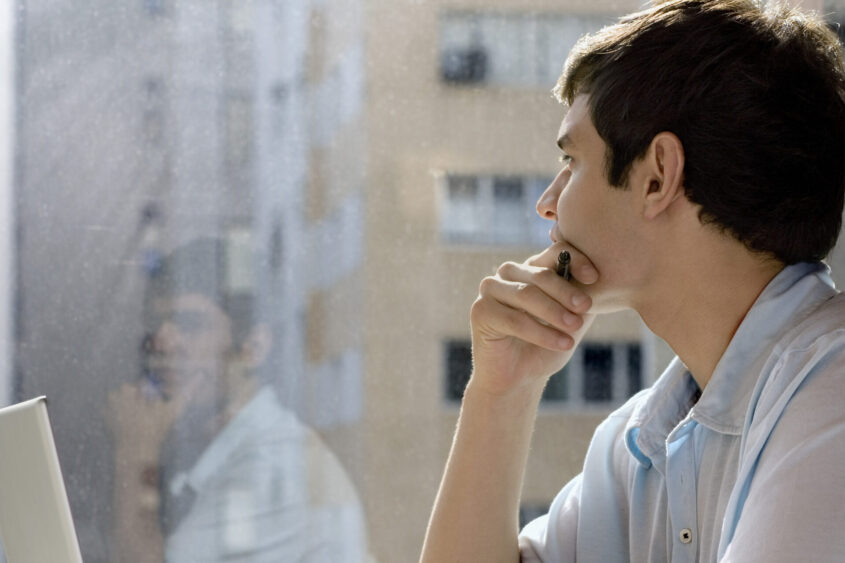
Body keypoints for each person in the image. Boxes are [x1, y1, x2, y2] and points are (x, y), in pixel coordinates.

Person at [420, 0, 845, 561]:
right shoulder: (643, 439)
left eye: (572, 162)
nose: (547, 205)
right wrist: (501, 395)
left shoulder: (831, 398)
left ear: (657, 177)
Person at [108, 238, 370, 562]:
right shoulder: (220, 448)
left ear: (253, 348)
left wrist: (136, 449)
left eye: (190, 324)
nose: (162, 342)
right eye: (156, 326)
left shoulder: (272, 465)